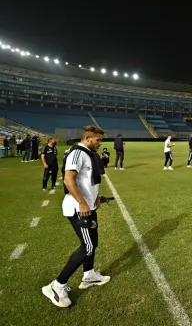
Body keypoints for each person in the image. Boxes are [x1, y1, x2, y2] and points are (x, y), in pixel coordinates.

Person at [41, 126, 110, 308]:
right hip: (78, 208)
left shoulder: (87, 152)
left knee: (92, 243)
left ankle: (89, 276)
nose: (100, 143)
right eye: (98, 140)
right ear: (87, 138)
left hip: (87, 206)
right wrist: (82, 202)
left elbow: (87, 180)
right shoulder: (77, 153)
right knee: (88, 245)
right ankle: (56, 286)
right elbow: (68, 180)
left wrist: (95, 197)